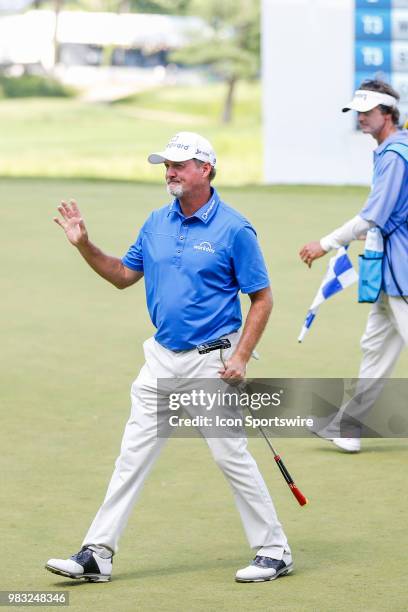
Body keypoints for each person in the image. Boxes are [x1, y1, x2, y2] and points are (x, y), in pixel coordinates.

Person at [45, 132, 292, 583]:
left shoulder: (235, 228)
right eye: (166, 165)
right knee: (132, 456)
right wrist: (85, 245)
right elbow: (122, 275)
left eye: (179, 165)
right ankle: (97, 553)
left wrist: (241, 356)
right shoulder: (156, 222)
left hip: (211, 360)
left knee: (229, 456)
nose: (170, 172)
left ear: (206, 169)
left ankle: (274, 550)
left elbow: (262, 298)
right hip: (161, 358)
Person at [300, 81, 408, 453]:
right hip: (388, 270)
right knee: (374, 349)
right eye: (358, 111)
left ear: (388, 113)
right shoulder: (388, 152)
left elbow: (373, 214)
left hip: (403, 272)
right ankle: (349, 428)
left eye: (368, 111)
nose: (361, 118)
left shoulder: (395, 154)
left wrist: (325, 243)